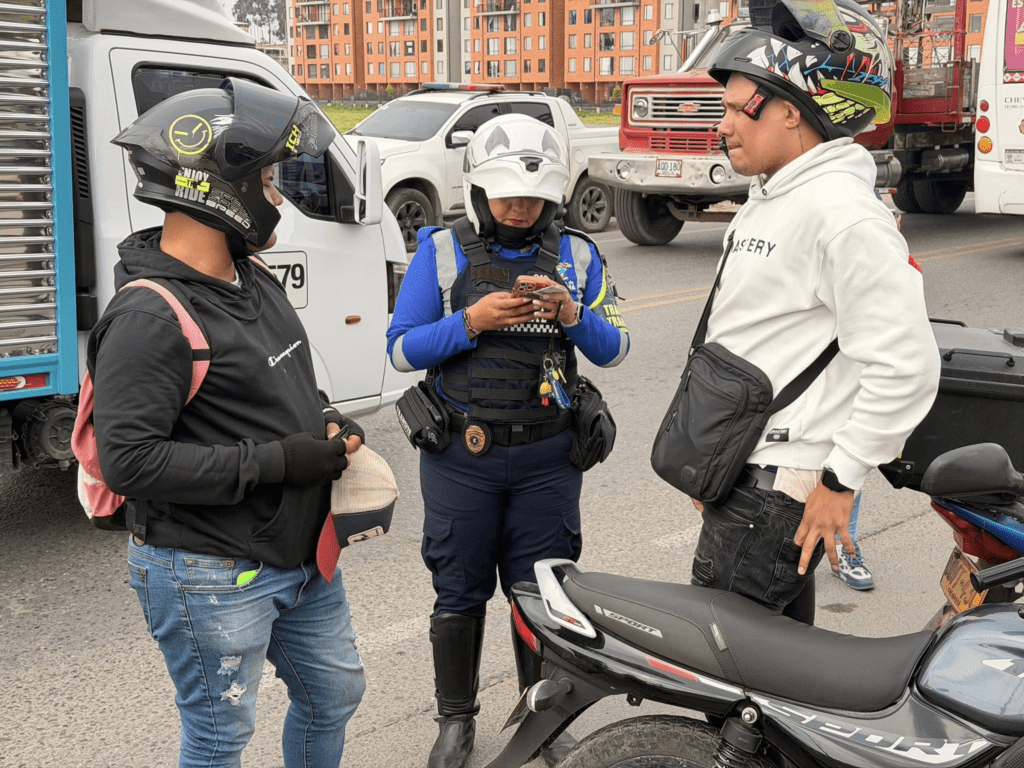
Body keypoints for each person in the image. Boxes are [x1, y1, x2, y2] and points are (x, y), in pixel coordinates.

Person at [92, 79, 366, 767]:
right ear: (221, 191)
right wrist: (281, 462)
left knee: (334, 694)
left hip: (299, 550)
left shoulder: (252, 275)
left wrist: (324, 419)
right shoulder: (148, 317)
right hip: (209, 569)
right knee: (220, 737)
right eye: (268, 182)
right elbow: (129, 462)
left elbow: (286, 379)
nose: (278, 199)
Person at [386, 114, 629, 768]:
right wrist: (470, 321)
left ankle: (543, 718)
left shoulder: (578, 255)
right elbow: (402, 350)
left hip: (549, 460)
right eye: (507, 196)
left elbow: (616, 348)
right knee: (459, 590)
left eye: (535, 197)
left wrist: (572, 314)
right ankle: (456, 722)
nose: (521, 209)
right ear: (478, 191)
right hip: (462, 458)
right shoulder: (441, 250)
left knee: (544, 593)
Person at [687, 0, 940, 624]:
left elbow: (906, 364)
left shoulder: (843, 216)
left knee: (724, 664)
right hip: (743, 473)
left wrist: (840, 482)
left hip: (776, 492)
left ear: (792, 111)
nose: (723, 124)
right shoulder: (776, 196)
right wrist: (713, 462)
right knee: (770, 666)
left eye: (737, 108)